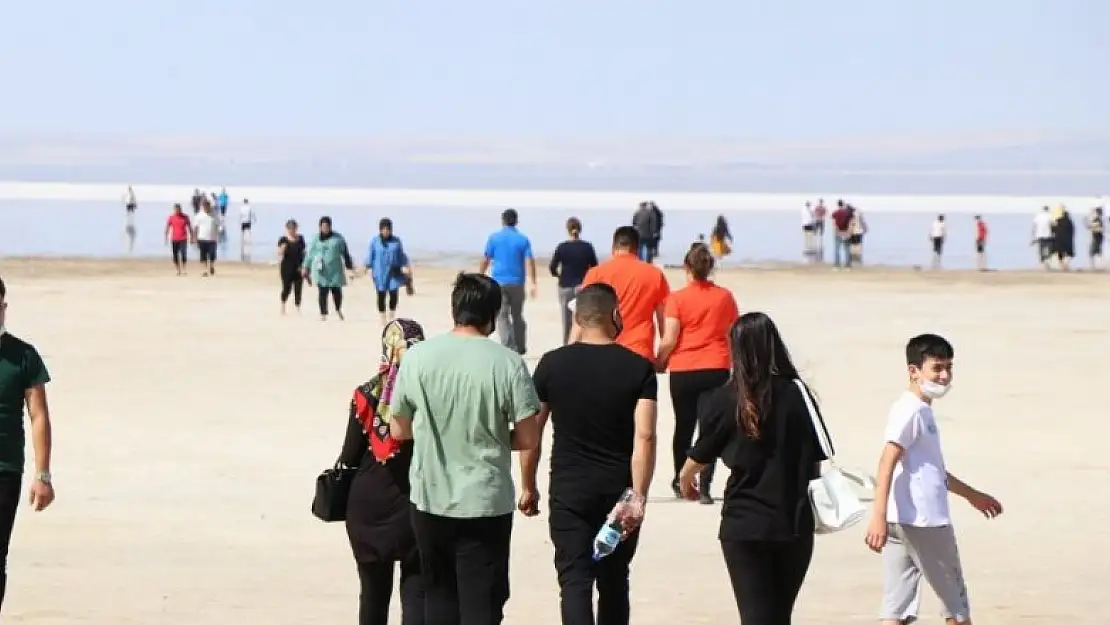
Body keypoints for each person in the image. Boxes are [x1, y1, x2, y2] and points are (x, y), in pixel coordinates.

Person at [389, 273, 542, 625]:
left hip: (430, 497)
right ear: (492, 314)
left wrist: (436, 429)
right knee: (483, 603)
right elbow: (529, 437)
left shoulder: (418, 357)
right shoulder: (507, 363)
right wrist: (488, 434)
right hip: (485, 501)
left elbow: (399, 428)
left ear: (454, 308)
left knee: (439, 597)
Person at [517, 283, 657, 625]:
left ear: (578, 318)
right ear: (615, 314)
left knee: (575, 581)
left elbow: (532, 433)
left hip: (569, 491)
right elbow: (646, 435)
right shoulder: (638, 368)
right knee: (614, 581)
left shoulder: (552, 365)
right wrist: (638, 495)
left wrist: (527, 485)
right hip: (617, 491)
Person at [678, 312, 826, 625]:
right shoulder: (800, 395)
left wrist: (686, 478)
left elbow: (700, 455)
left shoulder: (725, 399)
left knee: (755, 616)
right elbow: (817, 458)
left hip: (744, 523)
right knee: (779, 616)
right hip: (794, 520)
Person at [865, 334, 1003, 625]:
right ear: (914, 371)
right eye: (937, 368)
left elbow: (933, 471)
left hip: (900, 520)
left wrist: (972, 495)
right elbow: (886, 462)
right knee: (955, 602)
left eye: (949, 367)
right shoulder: (912, 411)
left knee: (896, 607)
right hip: (925, 521)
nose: (944, 376)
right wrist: (876, 516)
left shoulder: (917, 410)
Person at [340, 319, 427, 625]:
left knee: (373, 596)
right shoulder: (430, 395)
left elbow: (349, 456)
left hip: (368, 509)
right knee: (417, 593)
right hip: (416, 504)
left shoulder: (365, 395)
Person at [655, 244, 739, 504]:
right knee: (710, 427)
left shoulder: (677, 299)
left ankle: (682, 480)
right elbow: (734, 333)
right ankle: (704, 486)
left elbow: (669, 338)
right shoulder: (724, 297)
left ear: (686, 267)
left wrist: (660, 361)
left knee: (684, 426)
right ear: (710, 267)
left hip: (684, 369)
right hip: (716, 367)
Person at [0, 277, 56, 613]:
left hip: (5, 470)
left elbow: (39, 416)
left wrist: (43, 475)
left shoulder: (23, 356)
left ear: (4, 308)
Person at [575, 227, 670, 362]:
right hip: (639, 353)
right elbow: (664, 323)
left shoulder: (595, 273)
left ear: (613, 247)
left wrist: (571, 350)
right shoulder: (654, 275)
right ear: (637, 248)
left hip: (601, 351)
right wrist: (662, 359)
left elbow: (581, 319)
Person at [479, 209, 537, 355]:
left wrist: (480, 275)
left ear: (502, 220)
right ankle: (521, 346)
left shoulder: (494, 238)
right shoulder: (523, 239)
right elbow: (529, 261)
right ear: (516, 221)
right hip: (517, 282)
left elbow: (486, 258)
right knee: (517, 315)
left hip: (499, 282)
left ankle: (509, 346)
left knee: (502, 316)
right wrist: (533, 281)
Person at [549, 217, 598, 344]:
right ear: (579, 229)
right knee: (584, 318)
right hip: (582, 285)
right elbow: (594, 267)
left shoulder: (562, 247)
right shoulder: (587, 247)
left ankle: (567, 344)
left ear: (567, 229)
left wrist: (558, 276)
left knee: (566, 319)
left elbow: (552, 267)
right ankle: (582, 342)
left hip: (565, 285)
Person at [302, 216, 355, 321]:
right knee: (322, 292)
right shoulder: (315, 239)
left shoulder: (338, 238)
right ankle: (323, 314)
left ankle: (338, 310)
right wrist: (305, 267)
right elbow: (309, 255)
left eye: (327, 226)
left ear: (330, 227)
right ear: (320, 227)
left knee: (337, 292)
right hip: (320, 270)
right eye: (323, 226)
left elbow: (345, 253)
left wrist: (350, 268)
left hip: (335, 270)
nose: (325, 228)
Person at [366, 218, 412, 325]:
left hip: (394, 271)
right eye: (384, 229)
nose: (386, 231)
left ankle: (391, 317)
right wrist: (364, 267)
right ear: (380, 230)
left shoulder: (396, 241)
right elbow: (370, 257)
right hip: (379, 273)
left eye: (388, 229)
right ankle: (383, 318)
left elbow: (401, 255)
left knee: (393, 293)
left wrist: (406, 266)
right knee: (381, 295)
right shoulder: (375, 241)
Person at [277, 220, 306, 314]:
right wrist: (282, 248)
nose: (292, 230)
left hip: (299, 267)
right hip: (286, 268)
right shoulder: (283, 239)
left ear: (296, 228)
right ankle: (283, 305)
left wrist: (305, 266)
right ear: (287, 229)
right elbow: (279, 253)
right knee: (287, 288)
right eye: (290, 228)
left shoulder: (301, 238)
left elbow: (304, 252)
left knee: (298, 288)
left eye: (293, 228)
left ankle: (298, 308)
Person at [164, 203, 193, 276]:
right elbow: (167, 227)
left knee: (183, 254)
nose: (177, 211)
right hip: (174, 239)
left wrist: (192, 237)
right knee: (175, 256)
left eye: (178, 209)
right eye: (176, 210)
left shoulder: (185, 217)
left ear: (180, 209)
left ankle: (184, 269)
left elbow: (190, 227)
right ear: (174, 210)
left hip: (183, 238)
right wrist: (166, 238)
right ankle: (178, 270)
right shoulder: (171, 217)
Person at [194, 201, 220, 277]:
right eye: (205, 207)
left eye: (207, 206)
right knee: (203, 255)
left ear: (209, 206)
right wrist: (194, 238)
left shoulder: (214, 215)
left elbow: (218, 226)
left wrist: (218, 235)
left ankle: (211, 266)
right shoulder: (199, 215)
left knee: (212, 254)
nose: (206, 208)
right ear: (203, 207)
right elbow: (195, 227)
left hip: (212, 239)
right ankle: (205, 270)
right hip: (202, 238)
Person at [831, 200, 853, 268]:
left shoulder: (835, 213)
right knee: (847, 249)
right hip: (846, 232)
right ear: (843, 205)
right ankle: (847, 264)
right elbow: (850, 223)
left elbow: (834, 223)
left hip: (838, 232)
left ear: (838, 205)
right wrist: (850, 232)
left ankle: (837, 264)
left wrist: (835, 230)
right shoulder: (847, 213)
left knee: (837, 248)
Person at [1053, 207, 1075, 272]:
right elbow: (1073, 232)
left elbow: (1054, 229)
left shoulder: (1058, 221)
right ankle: (1065, 266)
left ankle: (1062, 266)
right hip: (1068, 241)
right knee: (1068, 254)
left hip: (1059, 240)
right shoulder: (1070, 222)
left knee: (1060, 254)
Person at [1087, 206, 1104, 270]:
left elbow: (1092, 227)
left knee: (1092, 252)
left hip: (1097, 238)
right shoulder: (1099, 219)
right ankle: (1097, 266)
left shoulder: (1097, 219)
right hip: (1098, 238)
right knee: (1097, 252)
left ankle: (1095, 266)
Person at [123, 185, 137, 254]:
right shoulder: (128, 194)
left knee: (131, 214)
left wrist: (135, 204)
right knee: (129, 214)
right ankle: (129, 222)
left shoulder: (132, 193)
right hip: (129, 204)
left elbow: (134, 199)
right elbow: (126, 199)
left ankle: (130, 222)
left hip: (131, 204)